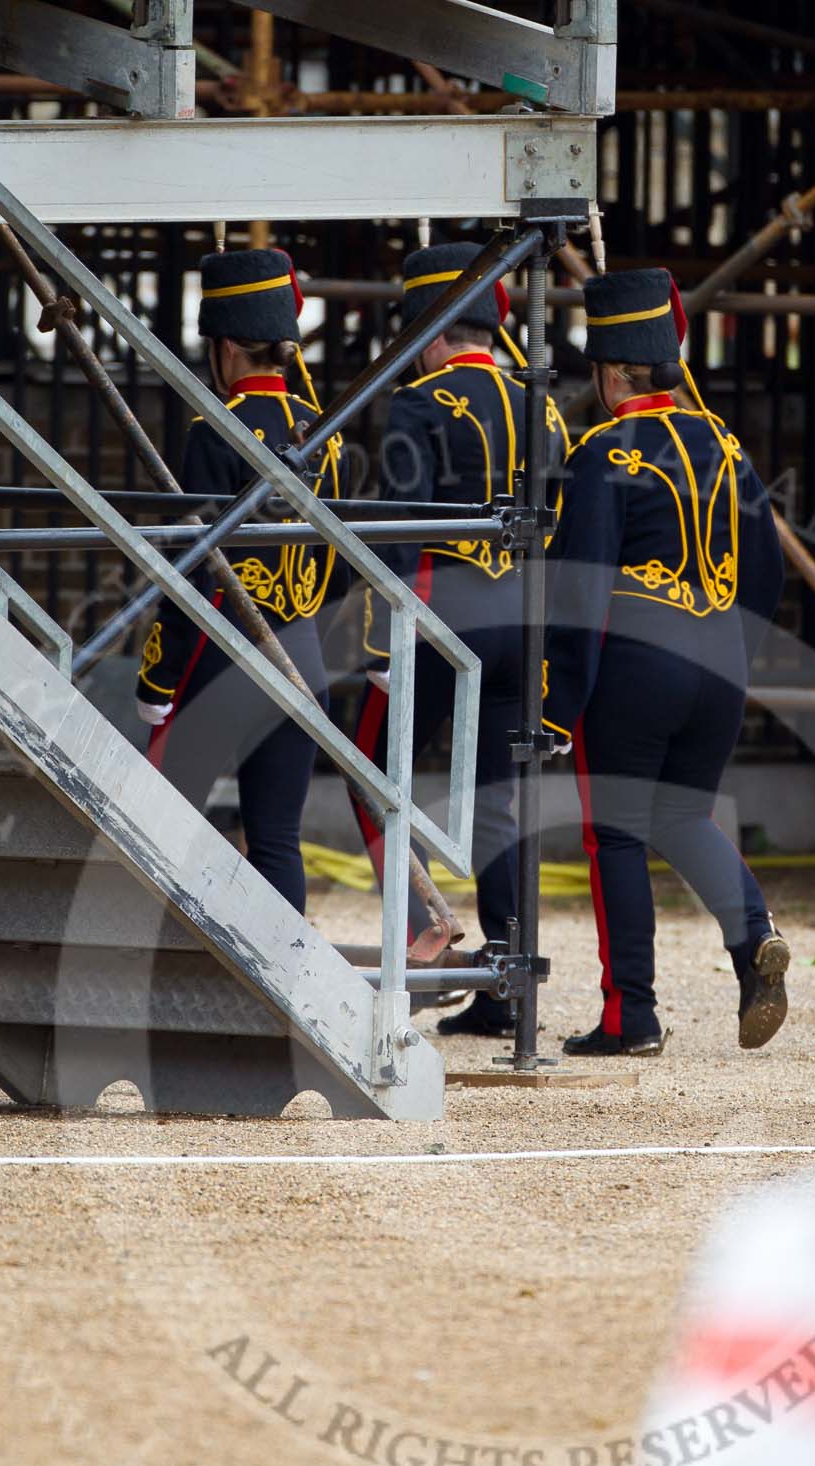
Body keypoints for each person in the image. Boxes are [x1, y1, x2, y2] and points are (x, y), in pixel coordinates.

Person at [541, 266, 787, 1057]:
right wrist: (730, 655)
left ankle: (629, 1016)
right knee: (682, 814)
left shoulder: (600, 454)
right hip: (717, 662)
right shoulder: (725, 443)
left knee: (614, 835)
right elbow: (768, 574)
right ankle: (752, 942)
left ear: (613, 371)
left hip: (634, 673)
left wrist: (554, 706)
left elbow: (578, 597)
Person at [349, 242, 571, 1038]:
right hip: (524, 619)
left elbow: (400, 531)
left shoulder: (420, 402)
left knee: (366, 772)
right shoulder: (540, 404)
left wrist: (380, 645)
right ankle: (506, 986)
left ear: (430, 328)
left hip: (442, 613)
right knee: (496, 804)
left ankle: (427, 927)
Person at [134, 246, 341, 915]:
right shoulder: (322, 433)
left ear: (224, 348)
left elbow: (193, 564)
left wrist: (157, 679)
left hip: (218, 657)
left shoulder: (212, 430)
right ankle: (287, 996)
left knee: (163, 828)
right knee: (277, 840)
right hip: (303, 654)